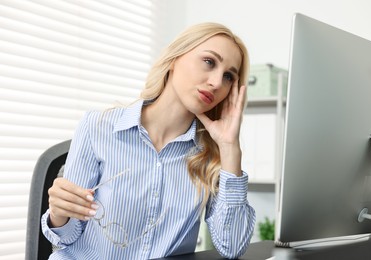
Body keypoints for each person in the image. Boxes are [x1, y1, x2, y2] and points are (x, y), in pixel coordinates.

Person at [41, 22, 256, 259]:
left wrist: (229, 148)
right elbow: (67, 236)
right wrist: (59, 214)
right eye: (209, 62)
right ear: (175, 58)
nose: (216, 82)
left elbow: (232, 246)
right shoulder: (98, 126)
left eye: (228, 76)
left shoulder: (211, 157)